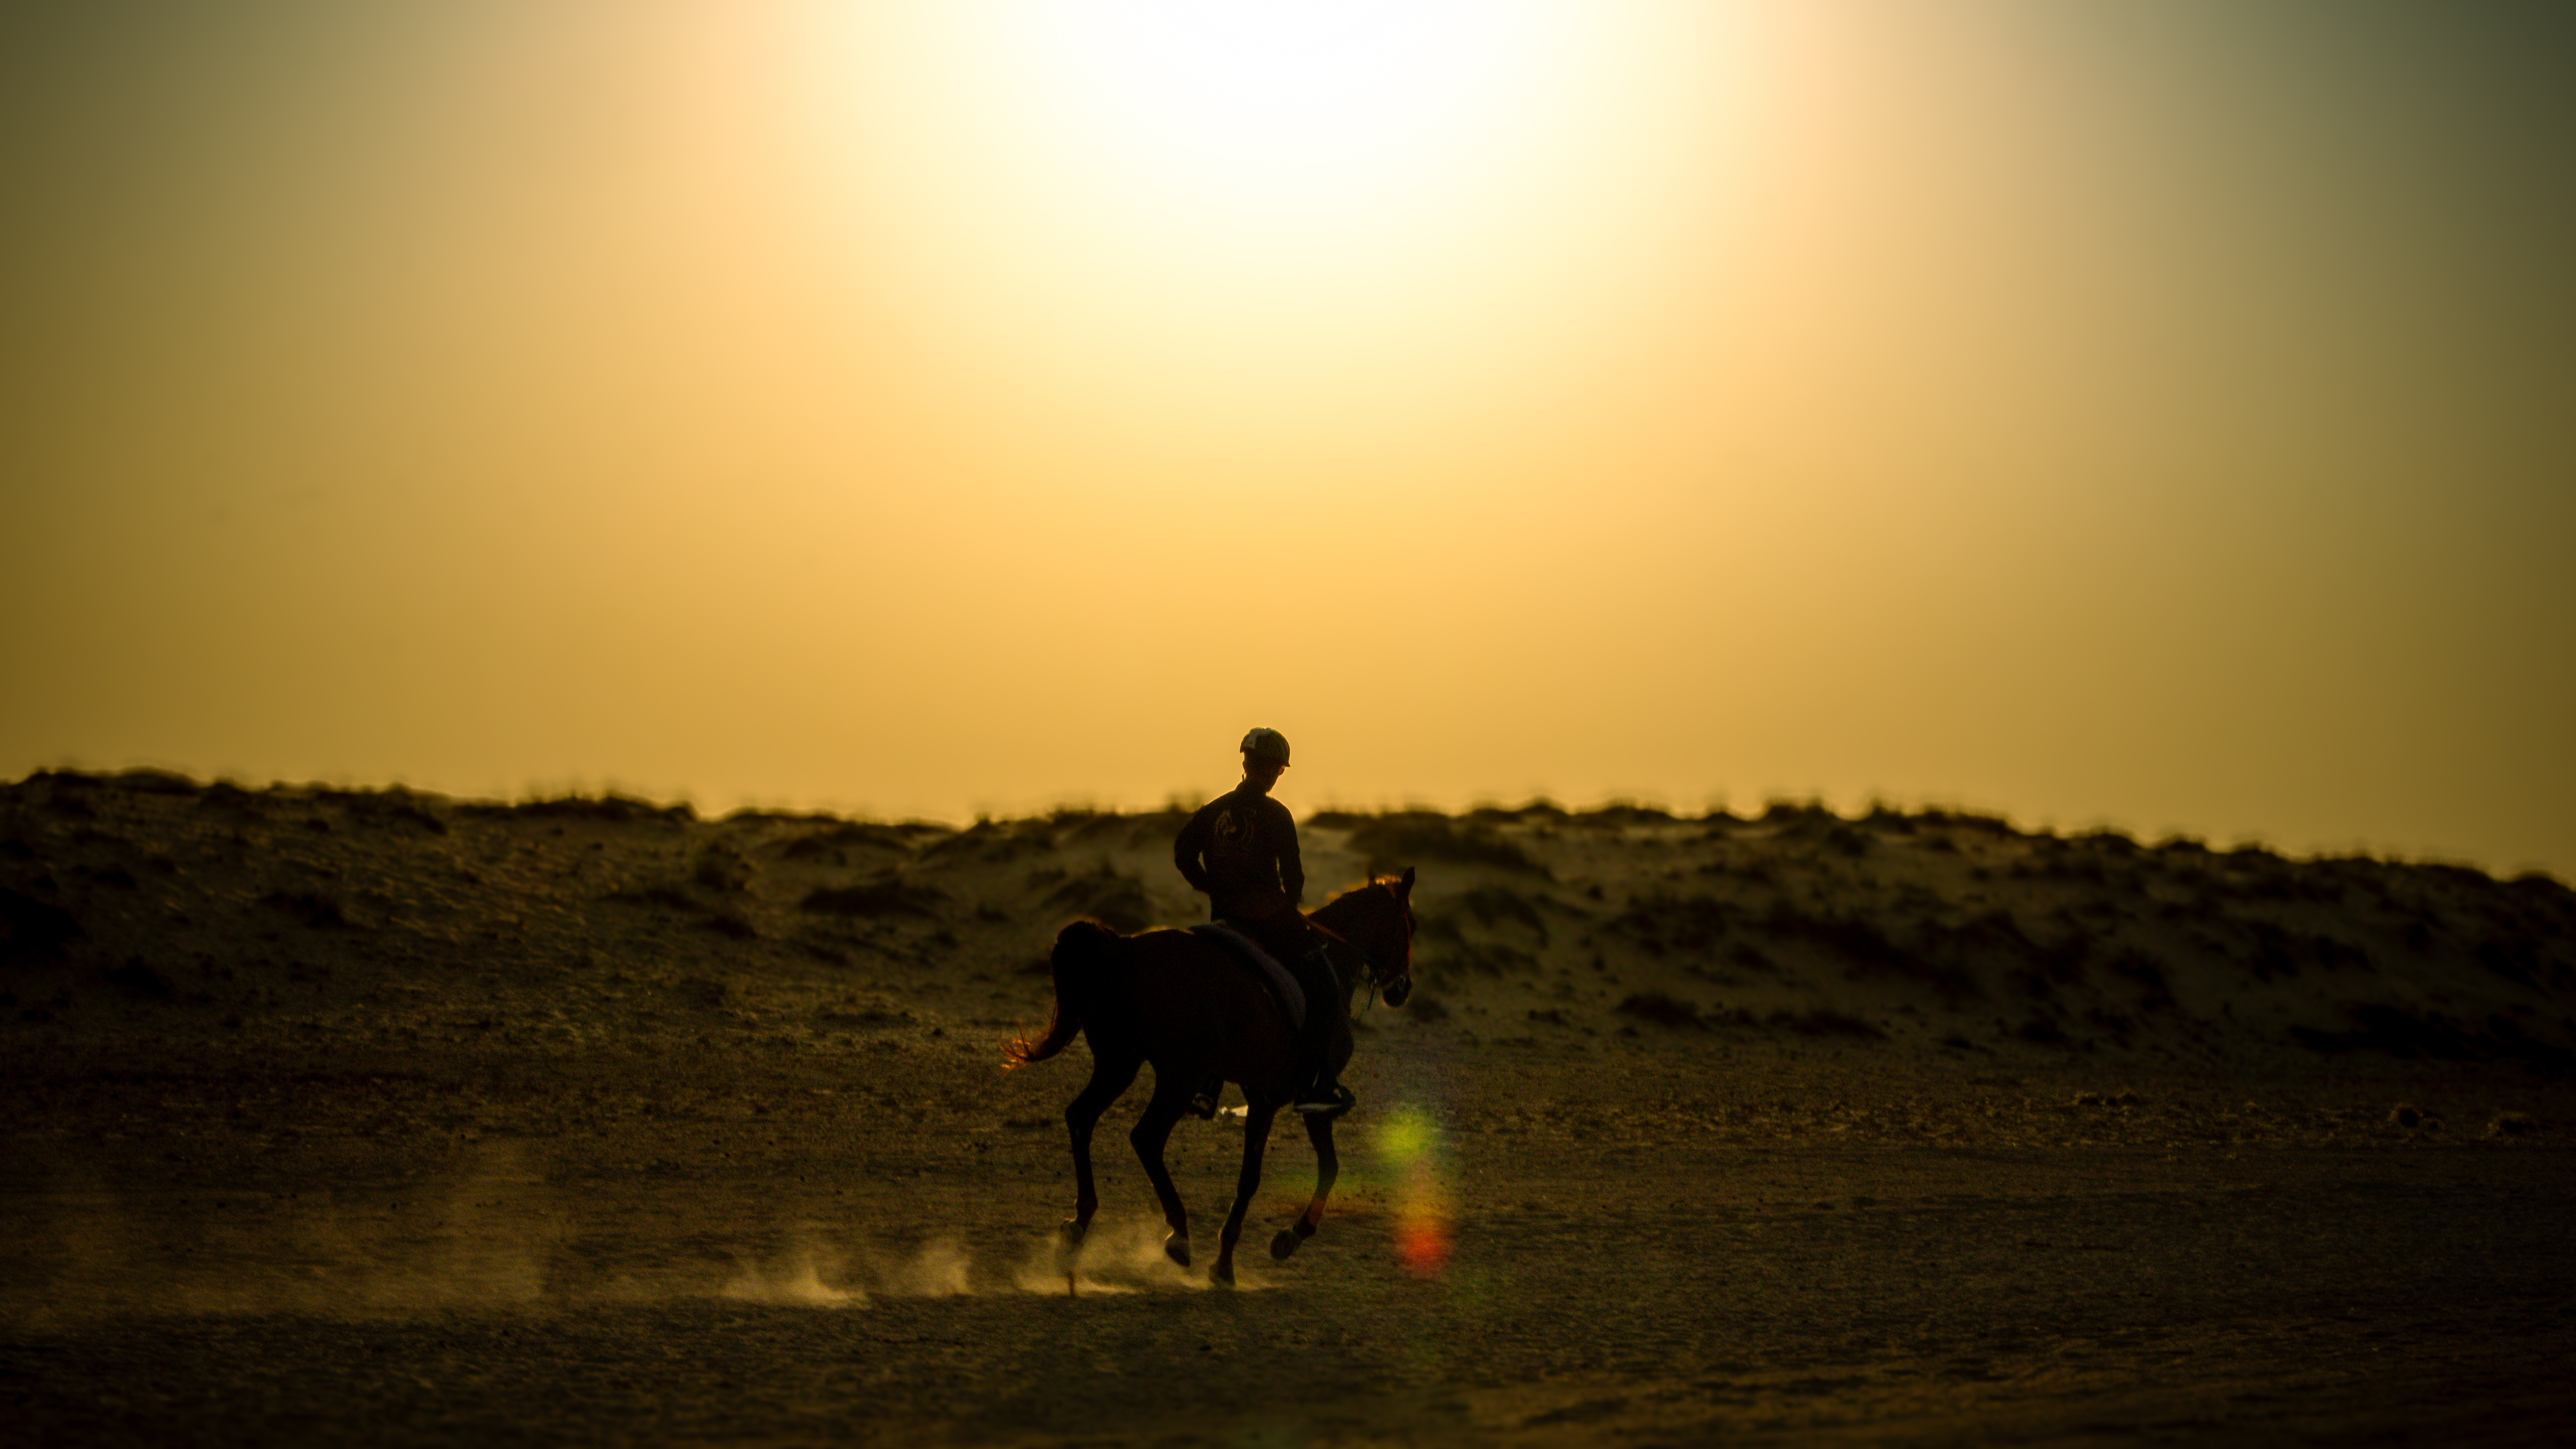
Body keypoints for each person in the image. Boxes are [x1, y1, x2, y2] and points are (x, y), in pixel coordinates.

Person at [1173, 727, 1352, 1117]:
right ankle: (1310, 1085)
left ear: (1244, 763)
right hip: (1270, 923)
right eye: (1277, 769)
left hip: (1223, 919)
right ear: (1271, 770)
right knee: (1324, 988)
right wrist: (1288, 906)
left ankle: (1207, 1086)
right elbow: (1295, 877)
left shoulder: (1212, 811)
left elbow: (1182, 852)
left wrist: (1209, 885)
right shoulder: (1276, 814)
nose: (1276, 776)